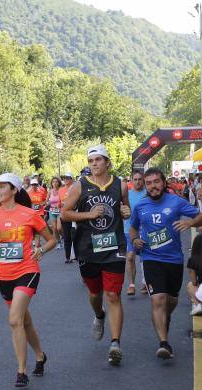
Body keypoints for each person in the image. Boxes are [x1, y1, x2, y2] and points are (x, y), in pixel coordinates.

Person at [0, 173, 56, 387]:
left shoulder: (29, 214)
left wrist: (41, 251)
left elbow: (52, 240)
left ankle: (21, 371)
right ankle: (40, 355)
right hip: (4, 276)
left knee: (14, 320)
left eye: (2, 187)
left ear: (14, 190)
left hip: (27, 271)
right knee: (24, 321)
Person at [61, 145, 131, 366]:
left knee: (113, 295)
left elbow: (125, 210)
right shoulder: (80, 186)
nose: (94, 164)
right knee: (95, 293)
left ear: (107, 162)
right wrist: (89, 214)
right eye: (91, 161)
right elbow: (64, 214)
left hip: (114, 247)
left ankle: (115, 343)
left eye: (98, 160)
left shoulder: (120, 185)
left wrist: (126, 212)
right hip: (87, 248)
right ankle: (99, 316)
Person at [128, 167, 202, 358]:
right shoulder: (141, 206)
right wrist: (135, 240)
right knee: (157, 299)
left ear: (163, 182)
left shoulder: (176, 201)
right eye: (149, 183)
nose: (153, 186)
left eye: (156, 182)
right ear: (145, 186)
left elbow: (201, 217)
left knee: (170, 300)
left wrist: (189, 223)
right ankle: (164, 343)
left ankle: (164, 316)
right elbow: (133, 229)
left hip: (174, 259)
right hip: (151, 258)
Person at [124, 171, 146, 296]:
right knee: (130, 257)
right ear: (131, 180)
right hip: (129, 230)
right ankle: (131, 285)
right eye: (135, 179)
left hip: (145, 230)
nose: (138, 182)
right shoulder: (127, 195)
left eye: (140, 179)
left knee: (144, 257)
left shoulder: (148, 194)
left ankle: (144, 281)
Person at [58, 173, 76, 263]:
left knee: (75, 236)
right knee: (67, 237)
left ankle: (77, 255)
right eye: (64, 178)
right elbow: (59, 203)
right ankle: (68, 257)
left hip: (75, 215)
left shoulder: (76, 188)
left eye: (68, 178)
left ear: (72, 179)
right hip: (64, 215)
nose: (65, 179)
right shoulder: (61, 190)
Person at [46, 176, 63, 248]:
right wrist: (48, 203)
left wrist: (61, 205)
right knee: (54, 228)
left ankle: (64, 236)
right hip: (52, 211)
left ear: (59, 183)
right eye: (53, 182)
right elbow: (47, 201)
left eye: (56, 182)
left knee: (59, 228)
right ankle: (58, 242)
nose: (55, 183)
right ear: (51, 183)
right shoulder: (50, 191)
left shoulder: (61, 190)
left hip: (60, 211)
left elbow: (64, 199)